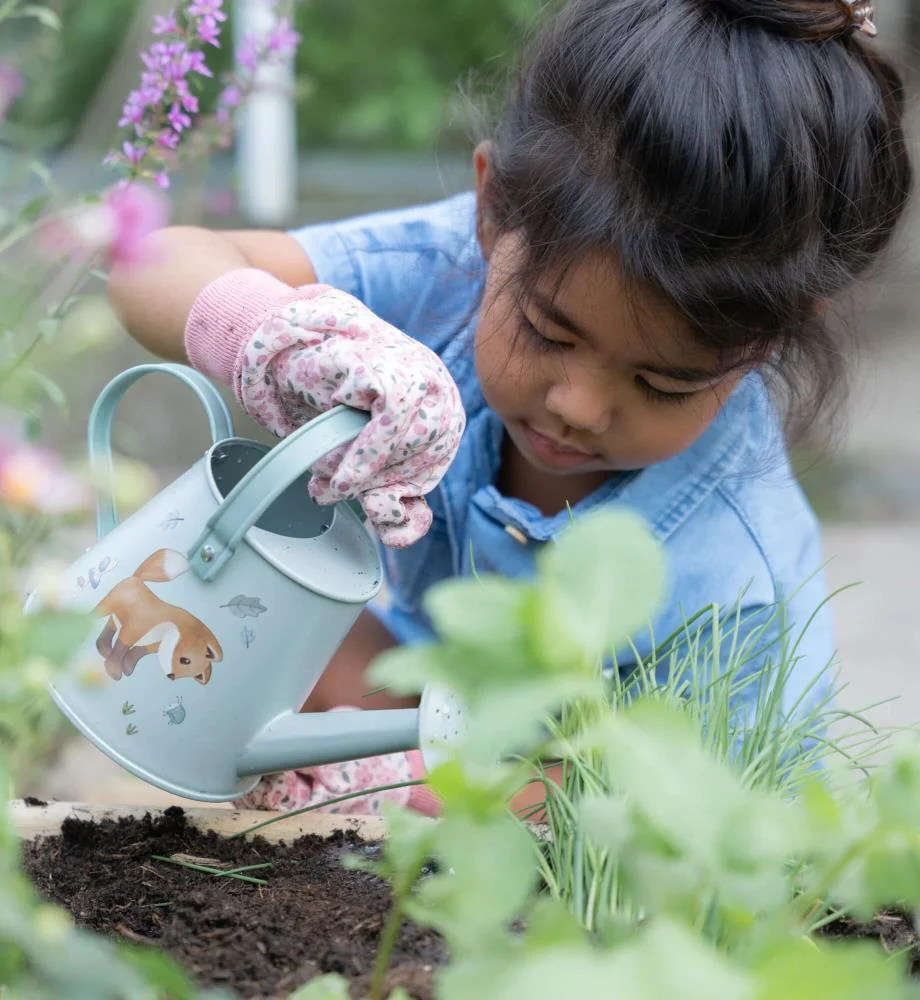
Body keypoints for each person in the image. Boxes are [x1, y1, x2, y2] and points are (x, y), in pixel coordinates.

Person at [107, 0, 912, 817]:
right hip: (426, 698)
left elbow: (668, 821)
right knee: (252, 600)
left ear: (764, 340)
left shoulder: (737, 577)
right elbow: (149, 263)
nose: (578, 407)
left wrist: (393, 788)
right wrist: (280, 338)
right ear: (492, 213)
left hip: (574, 799)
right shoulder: (450, 268)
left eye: (663, 384)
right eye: (547, 334)